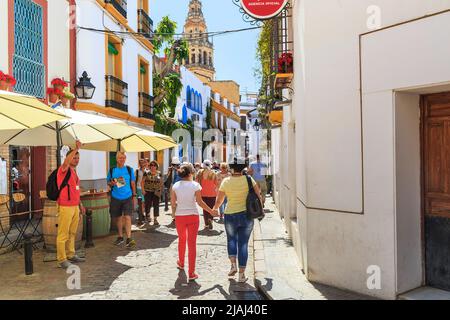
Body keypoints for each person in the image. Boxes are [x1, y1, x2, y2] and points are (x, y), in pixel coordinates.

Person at [212, 158, 263, 283]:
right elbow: (258, 195)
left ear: (232, 168)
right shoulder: (249, 180)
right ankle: (241, 275)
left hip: (230, 215)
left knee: (231, 240)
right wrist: (260, 209)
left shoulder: (226, 181)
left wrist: (215, 209)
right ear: (243, 168)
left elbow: (219, 200)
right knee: (243, 244)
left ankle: (233, 264)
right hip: (247, 216)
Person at [171, 163, 218, 281]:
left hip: (180, 216)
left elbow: (173, 203)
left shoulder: (175, 185)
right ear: (191, 173)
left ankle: (181, 262)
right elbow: (200, 202)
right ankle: (191, 273)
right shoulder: (195, 185)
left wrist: (173, 214)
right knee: (191, 244)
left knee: (182, 240)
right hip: (193, 216)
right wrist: (211, 211)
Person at [56, 141, 86, 269]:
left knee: (72, 232)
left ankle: (71, 254)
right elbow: (66, 162)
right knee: (63, 234)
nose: (77, 159)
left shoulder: (74, 172)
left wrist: (80, 204)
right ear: (68, 158)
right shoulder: (64, 169)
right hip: (65, 205)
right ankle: (62, 259)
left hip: (74, 206)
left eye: (78, 157)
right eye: (74, 157)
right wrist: (76, 148)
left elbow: (76, 190)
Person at [107, 152, 137, 248]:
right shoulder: (112, 170)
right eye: (120, 158)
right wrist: (112, 183)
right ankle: (120, 236)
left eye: (123, 158)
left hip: (127, 196)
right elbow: (108, 182)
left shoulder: (129, 169)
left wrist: (134, 195)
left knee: (127, 217)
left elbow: (132, 183)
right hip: (116, 197)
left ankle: (129, 238)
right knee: (118, 218)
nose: (122, 159)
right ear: (117, 159)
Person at [196, 160, 219, 230]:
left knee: (205, 208)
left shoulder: (199, 173)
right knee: (211, 208)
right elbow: (217, 184)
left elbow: (196, 182)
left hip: (202, 192)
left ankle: (206, 224)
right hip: (212, 193)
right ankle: (210, 219)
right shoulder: (213, 173)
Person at [142, 160, 164, 226]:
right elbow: (142, 182)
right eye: (151, 165)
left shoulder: (159, 173)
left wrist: (160, 189)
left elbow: (161, 182)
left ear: (156, 166)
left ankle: (155, 219)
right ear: (150, 166)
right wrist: (143, 190)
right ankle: (148, 215)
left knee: (156, 205)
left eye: (154, 165)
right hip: (147, 191)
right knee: (147, 204)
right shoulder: (146, 173)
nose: (153, 167)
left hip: (156, 192)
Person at [166, 157, 181, 222]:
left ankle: (178, 215)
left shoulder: (181, 170)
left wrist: (178, 170)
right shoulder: (170, 170)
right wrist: (170, 171)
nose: (175, 166)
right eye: (174, 165)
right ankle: (174, 216)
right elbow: (168, 178)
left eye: (177, 165)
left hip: (180, 186)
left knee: (179, 201)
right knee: (172, 202)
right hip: (172, 186)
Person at [136, 158, 149, 227]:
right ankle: (141, 216)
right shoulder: (137, 171)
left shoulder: (147, 171)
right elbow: (135, 180)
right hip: (139, 188)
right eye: (140, 163)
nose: (142, 164)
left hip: (146, 189)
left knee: (144, 203)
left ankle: (144, 215)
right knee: (141, 203)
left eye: (143, 162)